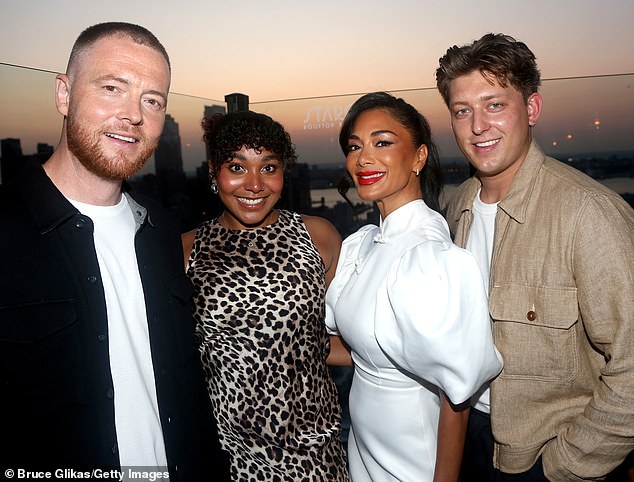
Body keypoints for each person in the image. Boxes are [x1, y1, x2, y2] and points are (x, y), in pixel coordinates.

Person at [0, 22, 228, 479]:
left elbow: (183, 383)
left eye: (152, 101)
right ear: (64, 94)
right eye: (112, 88)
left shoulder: (161, 228)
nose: (133, 115)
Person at [436, 33, 634, 481]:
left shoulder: (588, 214)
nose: (478, 126)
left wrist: (566, 466)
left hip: (544, 455)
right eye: (462, 110)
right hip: (467, 435)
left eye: (494, 105)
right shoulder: (458, 207)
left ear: (531, 110)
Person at [325, 91, 503, 481]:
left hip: (413, 451)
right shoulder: (365, 244)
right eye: (355, 146)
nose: (363, 158)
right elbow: (360, 349)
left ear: (419, 157)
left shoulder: (429, 258)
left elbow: (456, 396)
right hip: (364, 443)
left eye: (382, 142)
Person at [181, 110, 349, 480]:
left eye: (269, 168)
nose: (255, 185)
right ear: (213, 173)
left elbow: (340, 336)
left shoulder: (317, 236)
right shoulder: (186, 250)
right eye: (237, 168)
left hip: (315, 456)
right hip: (228, 458)